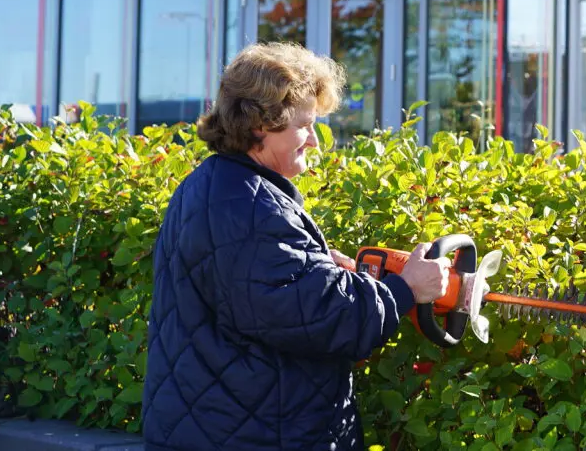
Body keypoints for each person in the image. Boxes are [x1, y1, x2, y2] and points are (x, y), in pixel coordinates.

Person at [142, 42, 451, 451]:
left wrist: (321, 270)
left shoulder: (212, 185)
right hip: (258, 435)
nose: (315, 141)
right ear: (260, 124)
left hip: (214, 427)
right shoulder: (253, 207)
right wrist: (406, 289)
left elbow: (267, 299)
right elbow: (319, 317)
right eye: (305, 125)